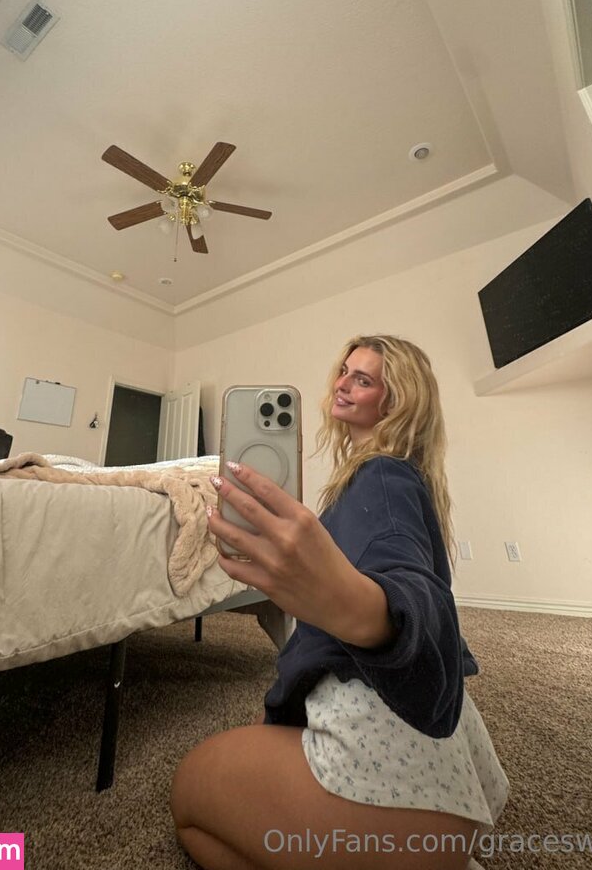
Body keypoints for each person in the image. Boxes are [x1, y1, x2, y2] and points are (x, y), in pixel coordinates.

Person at [171, 335, 508, 869]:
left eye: (364, 379)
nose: (343, 384)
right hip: (448, 786)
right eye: (344, 372)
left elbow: (413, 591)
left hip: (394, 793)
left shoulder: (382, 477)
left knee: (189, 794)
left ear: (394, 402)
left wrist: (364, 613)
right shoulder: (396, 476)